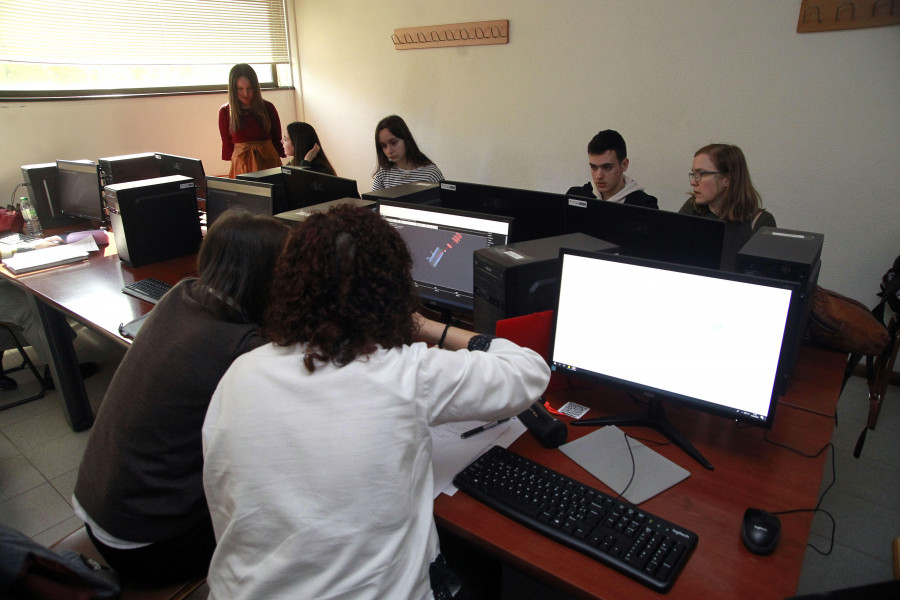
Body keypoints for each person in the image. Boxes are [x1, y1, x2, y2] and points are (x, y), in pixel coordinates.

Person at [202, 205, 550, 599]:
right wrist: (429, 326)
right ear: (394, 289)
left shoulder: (239, 375)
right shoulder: (405, 374)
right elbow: (529, 372)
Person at [72, 212, 289, 585]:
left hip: (103, 511)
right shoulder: (241, 348)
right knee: (289, 510)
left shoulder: (181, 294)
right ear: (264, 277)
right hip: (150, 547)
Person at [678, 143, 776, 267]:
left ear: (727, 179)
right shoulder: (692, 207)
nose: (693, 182)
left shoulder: (760, 221)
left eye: (701, 174)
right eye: (693, 174)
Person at [218, 63, 285, 178]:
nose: (245, 93)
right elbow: (227, 143)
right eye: (240, 89)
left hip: (268, 162)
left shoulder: (268, 108)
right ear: (233, 89)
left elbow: (276, 137)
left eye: (250, 88)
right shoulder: (225, 111)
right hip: (242, 165)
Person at [566, 129, 658, 208]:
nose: (599, 176)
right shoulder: (575, 196)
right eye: (594, 167)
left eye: (607, 167)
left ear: (624, 164)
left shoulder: (645, 206)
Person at [372, 115, 444, 190]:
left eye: (393, 142)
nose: (389, 151)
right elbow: (371, 201)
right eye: (383, 145)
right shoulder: (383, 173)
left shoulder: (430, 173)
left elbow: (446, 200)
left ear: (406, 139)